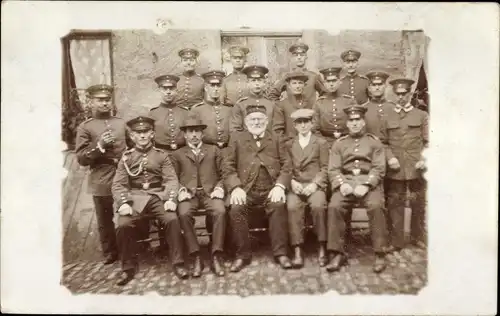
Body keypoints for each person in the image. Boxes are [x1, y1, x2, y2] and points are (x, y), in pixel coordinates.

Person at [112, 116, 188, 286]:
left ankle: (178, 263)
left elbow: (171, 179)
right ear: (132, 136)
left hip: (156, 196)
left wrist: (170, 198)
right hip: (135, 198)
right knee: (123, 225)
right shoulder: (127, 158)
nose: (142, 136)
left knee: (171, 219)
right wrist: (123, 203)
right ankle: (128, 268)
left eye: (146, 132)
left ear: (152, 134)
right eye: (138, 133)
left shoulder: (162, 156)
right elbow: (118, 184)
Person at [223, 105, 293, 272]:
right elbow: (228, 167)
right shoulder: (236, 139)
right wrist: (235, 187)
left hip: (271, 188)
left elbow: (287, 166)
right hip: (246, 189)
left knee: (278, 205)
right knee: (236, 208)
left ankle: (281, 253)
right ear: (246, 122)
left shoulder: (276, 138)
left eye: (260, 119)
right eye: (252, 119)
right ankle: (242, 255)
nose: (256, 122)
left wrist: (280, 185)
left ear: (267, 121)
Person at [327, 105, 388, 273]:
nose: (354, 123)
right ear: (347, 124)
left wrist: (366, 184)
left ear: (363, 122)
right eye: (351, 120)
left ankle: (380, 252)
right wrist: (342, 184)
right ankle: (338, 253)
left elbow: (378, 168)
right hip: (346, 182)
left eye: (357, 120)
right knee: (334, 206)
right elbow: (333, 169)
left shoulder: (374, 142)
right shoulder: (339, 144)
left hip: (368, 183)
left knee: (376, 206)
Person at [75, 84, 128, 265]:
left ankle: (131, 247)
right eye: (100, 100)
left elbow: (133, 147)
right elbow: (81, 158)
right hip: (101, 176)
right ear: (90, 102)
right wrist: (100, 147)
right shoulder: (85, 127)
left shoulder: (120, 123)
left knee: (129, 212)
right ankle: (110, 251)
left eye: (107, 100)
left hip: (123, 175)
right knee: (105, 218)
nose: (105, 103)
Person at [170, 116, 227, 277]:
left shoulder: (214, 150)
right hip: (189, 194)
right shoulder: (177, 154)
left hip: (210, 192)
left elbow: (224, 173)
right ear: (185, 135)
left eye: (197, 131)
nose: (194, 134)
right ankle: (196, 256)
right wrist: (181, 190)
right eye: (190, 131)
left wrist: (219, 188)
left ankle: (216, 255)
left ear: (202, 134)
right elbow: (172, 178)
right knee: (183, 213)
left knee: (220, 211)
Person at [380, 78, 429, 252]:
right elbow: (383, 143)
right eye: (398, 94)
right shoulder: (387, 117)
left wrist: (424, 159)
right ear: (394, 94)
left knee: (418, 202)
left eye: (404, 93)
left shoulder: (421, 115)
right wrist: (390, 157)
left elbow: (428, 141)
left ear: (410, 94)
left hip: (416, 166)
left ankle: (418, 236)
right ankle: (396, 240)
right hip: (396, 167)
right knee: (394, 203)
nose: (401, 97)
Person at [285, 109, 329, 268]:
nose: (303, 125)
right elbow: (286, 167)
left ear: (312, 123)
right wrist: (291, 182)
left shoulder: (321, 143)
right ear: (295, 125)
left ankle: (322, 246)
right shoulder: (289, 144)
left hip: (313, 185)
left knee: (318, 206)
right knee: (292, 207)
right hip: (296, 184)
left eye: (306, 122)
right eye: (299, 122)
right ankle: (297, 249)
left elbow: (325, 168)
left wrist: (315, 184)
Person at [268, 40, 325, 105]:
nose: (299, 57)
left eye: (302, 55)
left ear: (306, 57)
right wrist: (282, 108)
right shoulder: (287, 76)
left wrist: (318, 109)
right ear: (292, 57)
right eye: (296, 55)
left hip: (310, 113)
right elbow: (272, 95)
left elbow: (325, 94)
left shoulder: (313, 76)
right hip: (291, 114)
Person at [311, 67, 353, 146]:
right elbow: (315, 129)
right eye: (328, 81)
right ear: (324, 84)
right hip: (326, 142)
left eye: (334, 80)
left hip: (347, 142)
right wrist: (324, 143)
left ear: (340, 82)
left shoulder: (349, 101)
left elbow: (356, 123)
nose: (331, 84)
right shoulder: (319, 103)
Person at [191, 70, 232, 150]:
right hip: (206, 152)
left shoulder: (229, 109)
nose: (216, 89)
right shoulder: (197, 110)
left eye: (218, 85)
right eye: (212, 85)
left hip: (227, 151)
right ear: (206, 87)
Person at [229, 65, 277, 133]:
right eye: (253, 81)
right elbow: (235, 130)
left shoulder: (271, 104)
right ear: (248, 83)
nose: (257, 83)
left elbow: (275, 129)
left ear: (264, 83)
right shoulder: (240, 105)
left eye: (259, 80)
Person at [149, 75, 189, 152]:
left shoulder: (185, 112)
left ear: (176, 90)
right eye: (164, 89)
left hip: (182, 153)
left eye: (171, 88)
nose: (168, 92)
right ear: (159, 90)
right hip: (161, 154)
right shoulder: (152, 114)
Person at [273, 72, 314, 143]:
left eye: (300, 83)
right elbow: (278, 131)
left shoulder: (310, 103)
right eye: (294, 83)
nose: (297, 86)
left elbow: (314, 126)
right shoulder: (281, 105)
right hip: (290, 145)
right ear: (289, 86)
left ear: (304, 85)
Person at [363, 70, 395, 138]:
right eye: (374, 85)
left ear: (385, 86)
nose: (377, 88)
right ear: (369, 88)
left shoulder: (393, 108)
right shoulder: (363, 109)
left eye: (380, 84)